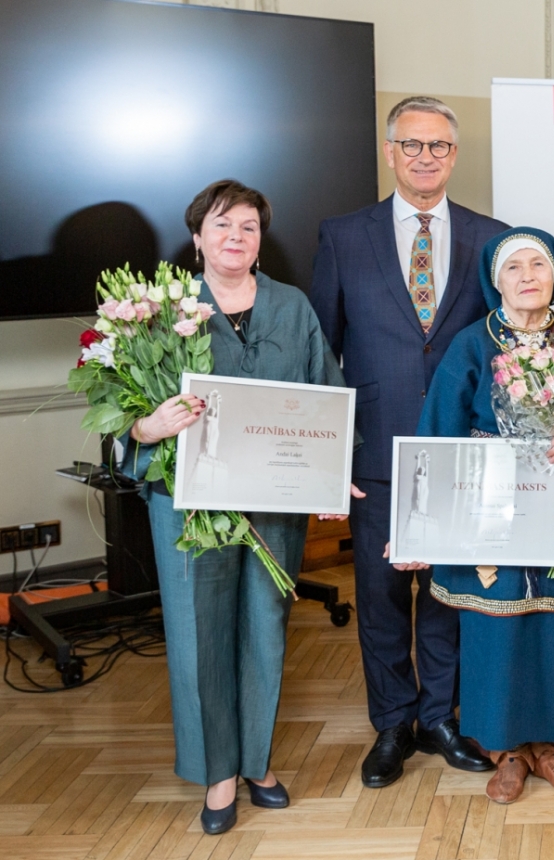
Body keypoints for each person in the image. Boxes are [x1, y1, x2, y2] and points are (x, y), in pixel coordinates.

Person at [125, 180, 345, 834]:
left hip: (274, 500)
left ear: (259, 240)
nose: (235, 237)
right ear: (197, 236)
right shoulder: (158, 313)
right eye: (223, 225)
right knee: (200, 635)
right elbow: (122, 421)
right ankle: (218, 772)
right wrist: (147, 427)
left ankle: (257, 761)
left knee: (264, 628)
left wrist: (334, 478)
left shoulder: (293, 306)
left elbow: (325, 398)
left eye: (248, 227)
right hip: (187, 502)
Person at [393, 227, 554, 804]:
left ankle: (550, 748)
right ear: (494, 281)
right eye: (514, 268)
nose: (528, 276)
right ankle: (507, 753)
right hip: (490, 518)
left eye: (539, 265)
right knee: (498, 633)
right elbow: (437, 437)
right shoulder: (473, 345)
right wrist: (417, 523)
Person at [310, 96, 507, 788]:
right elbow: (319, 355)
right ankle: (392, 723)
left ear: (454, 155)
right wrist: (329, 459)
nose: (426, 157)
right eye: (412, 144)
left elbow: (500, 349)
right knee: (384, 596)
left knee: (448, 592)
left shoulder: (492, 236)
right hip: (377, 451)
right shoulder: (343, 236)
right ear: (390, 151)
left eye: (439, 146)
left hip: (461, 451)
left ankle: (441, 716)